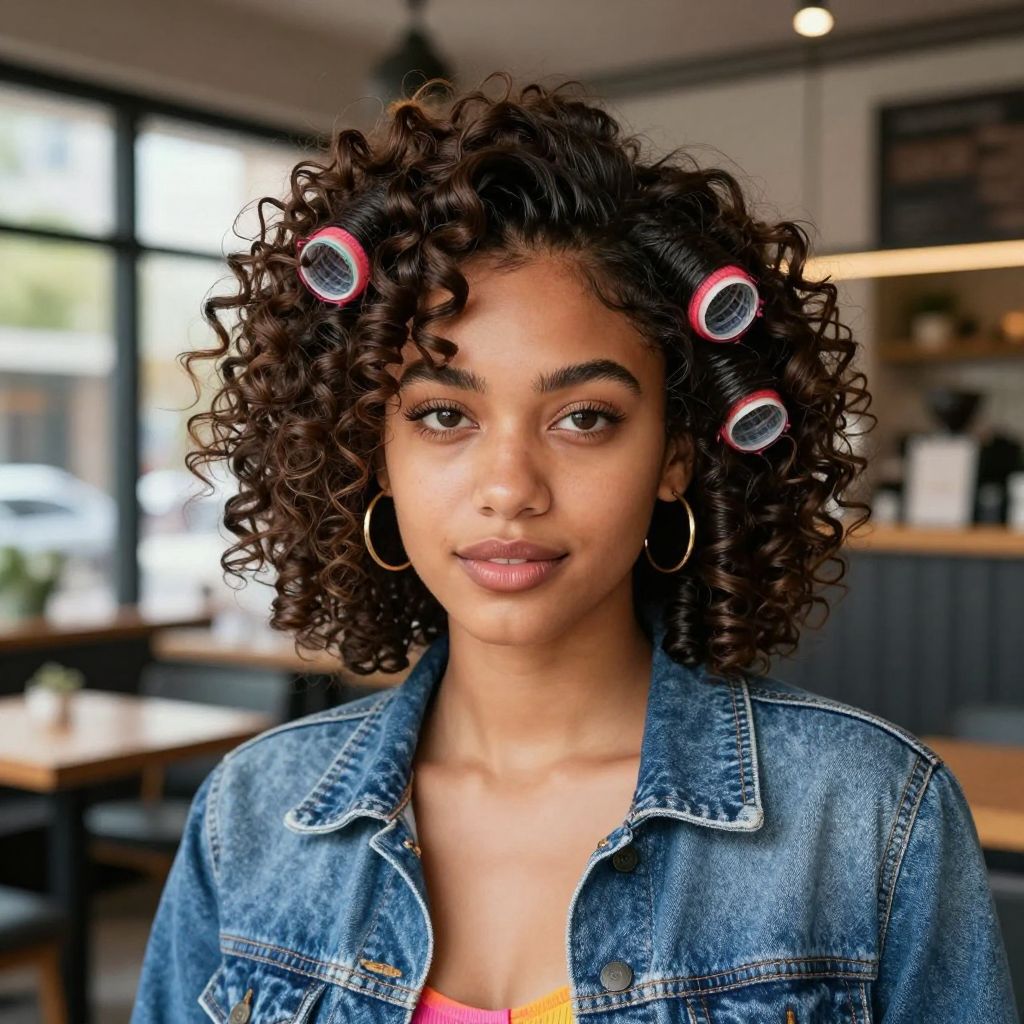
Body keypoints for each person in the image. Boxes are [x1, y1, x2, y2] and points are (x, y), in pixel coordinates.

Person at [130, 73, 1019, 1024]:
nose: (510, 487)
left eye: (584, 417)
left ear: (675, 456)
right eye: (443, 416)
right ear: (372, 453)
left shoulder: (872, 819)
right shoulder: (250, 819)